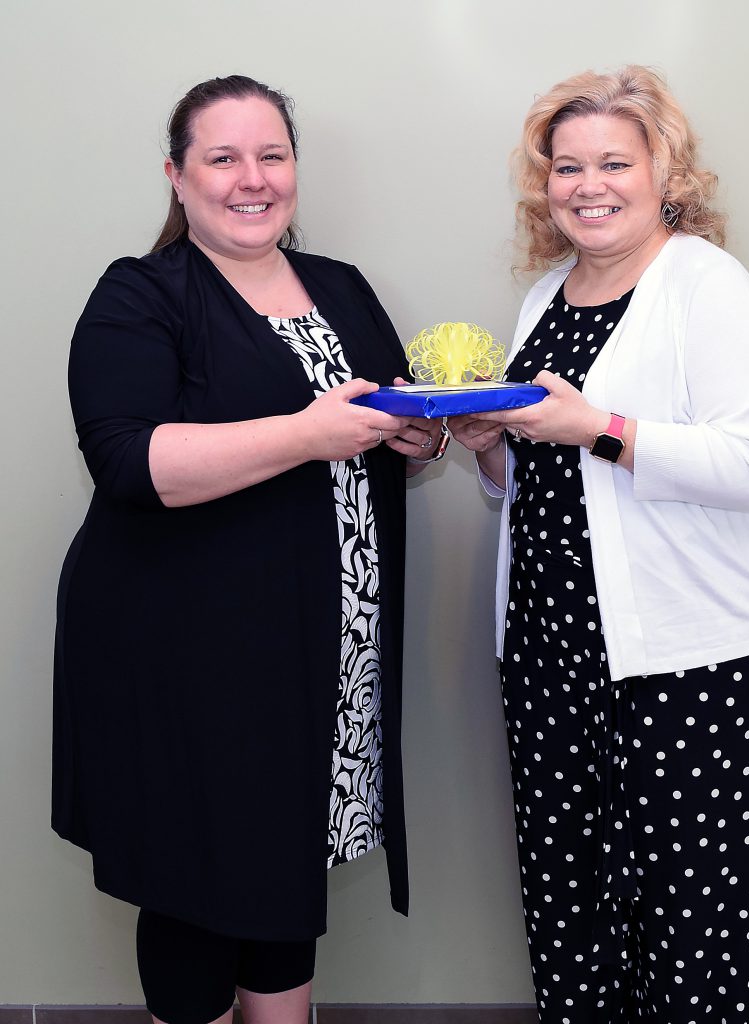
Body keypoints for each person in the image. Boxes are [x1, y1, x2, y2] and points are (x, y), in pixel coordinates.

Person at [52, 75, 447, 1024]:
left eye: (272, 155)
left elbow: (391, 426)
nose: (252, 178)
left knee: (281, 865)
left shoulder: (343, 290)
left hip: (318, 653)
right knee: (194, 881)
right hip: (184, 654)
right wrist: (306, 435)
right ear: (177, 178)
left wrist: (420, 438)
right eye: (222, 157)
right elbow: (131, 463)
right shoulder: (140, 294)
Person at [449, 65, 749, 1023]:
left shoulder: (709, 289)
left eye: (615, 161)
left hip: (696, 659)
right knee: (571, 909)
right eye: (567, 167)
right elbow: (537, 482)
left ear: (666, 174)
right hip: (553, 650)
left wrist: (598, 427)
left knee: (696, 920)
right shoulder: (545, 300)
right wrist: (492, 452)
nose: (588, 185)